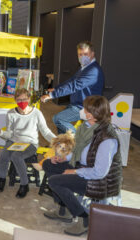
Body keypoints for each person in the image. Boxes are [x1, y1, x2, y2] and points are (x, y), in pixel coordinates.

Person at [43, 95, 122, 236]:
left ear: (91, 114)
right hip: (84, 167)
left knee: (55, 181)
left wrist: (74, 172)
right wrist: (64, 158)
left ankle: (83, 218)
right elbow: (80, 152)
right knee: (49, 165)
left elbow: (100, 172)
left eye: (84, 109)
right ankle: (64, 209)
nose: (82, 111)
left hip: (100, 180)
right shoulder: (86, 127)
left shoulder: (107, 138)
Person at [0, 88, 56, 198]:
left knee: (16, 156)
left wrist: (56, 140)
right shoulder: (11, 113)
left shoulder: (36, 113)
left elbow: (45, 131)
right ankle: (1, 179)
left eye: (24, 99)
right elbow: (10, 134)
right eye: (19, 100)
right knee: (4, 154)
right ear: (15, 100)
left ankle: (24, 185)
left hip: (30, 143)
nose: (22, 102)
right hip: (14, 141)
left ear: (29, 99)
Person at [40, 41, 104, 134]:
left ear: (92, 54)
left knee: (58, 119)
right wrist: (56, 89)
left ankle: (77, 140)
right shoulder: (85, 67)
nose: (82, 57)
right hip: (77, 104)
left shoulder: (93, 70)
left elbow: (74, 86)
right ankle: (63, 146)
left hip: (86, 107)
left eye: (85, 54)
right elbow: (71, 81)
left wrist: (52, 95)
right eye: (80, 54)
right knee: (61, 126)